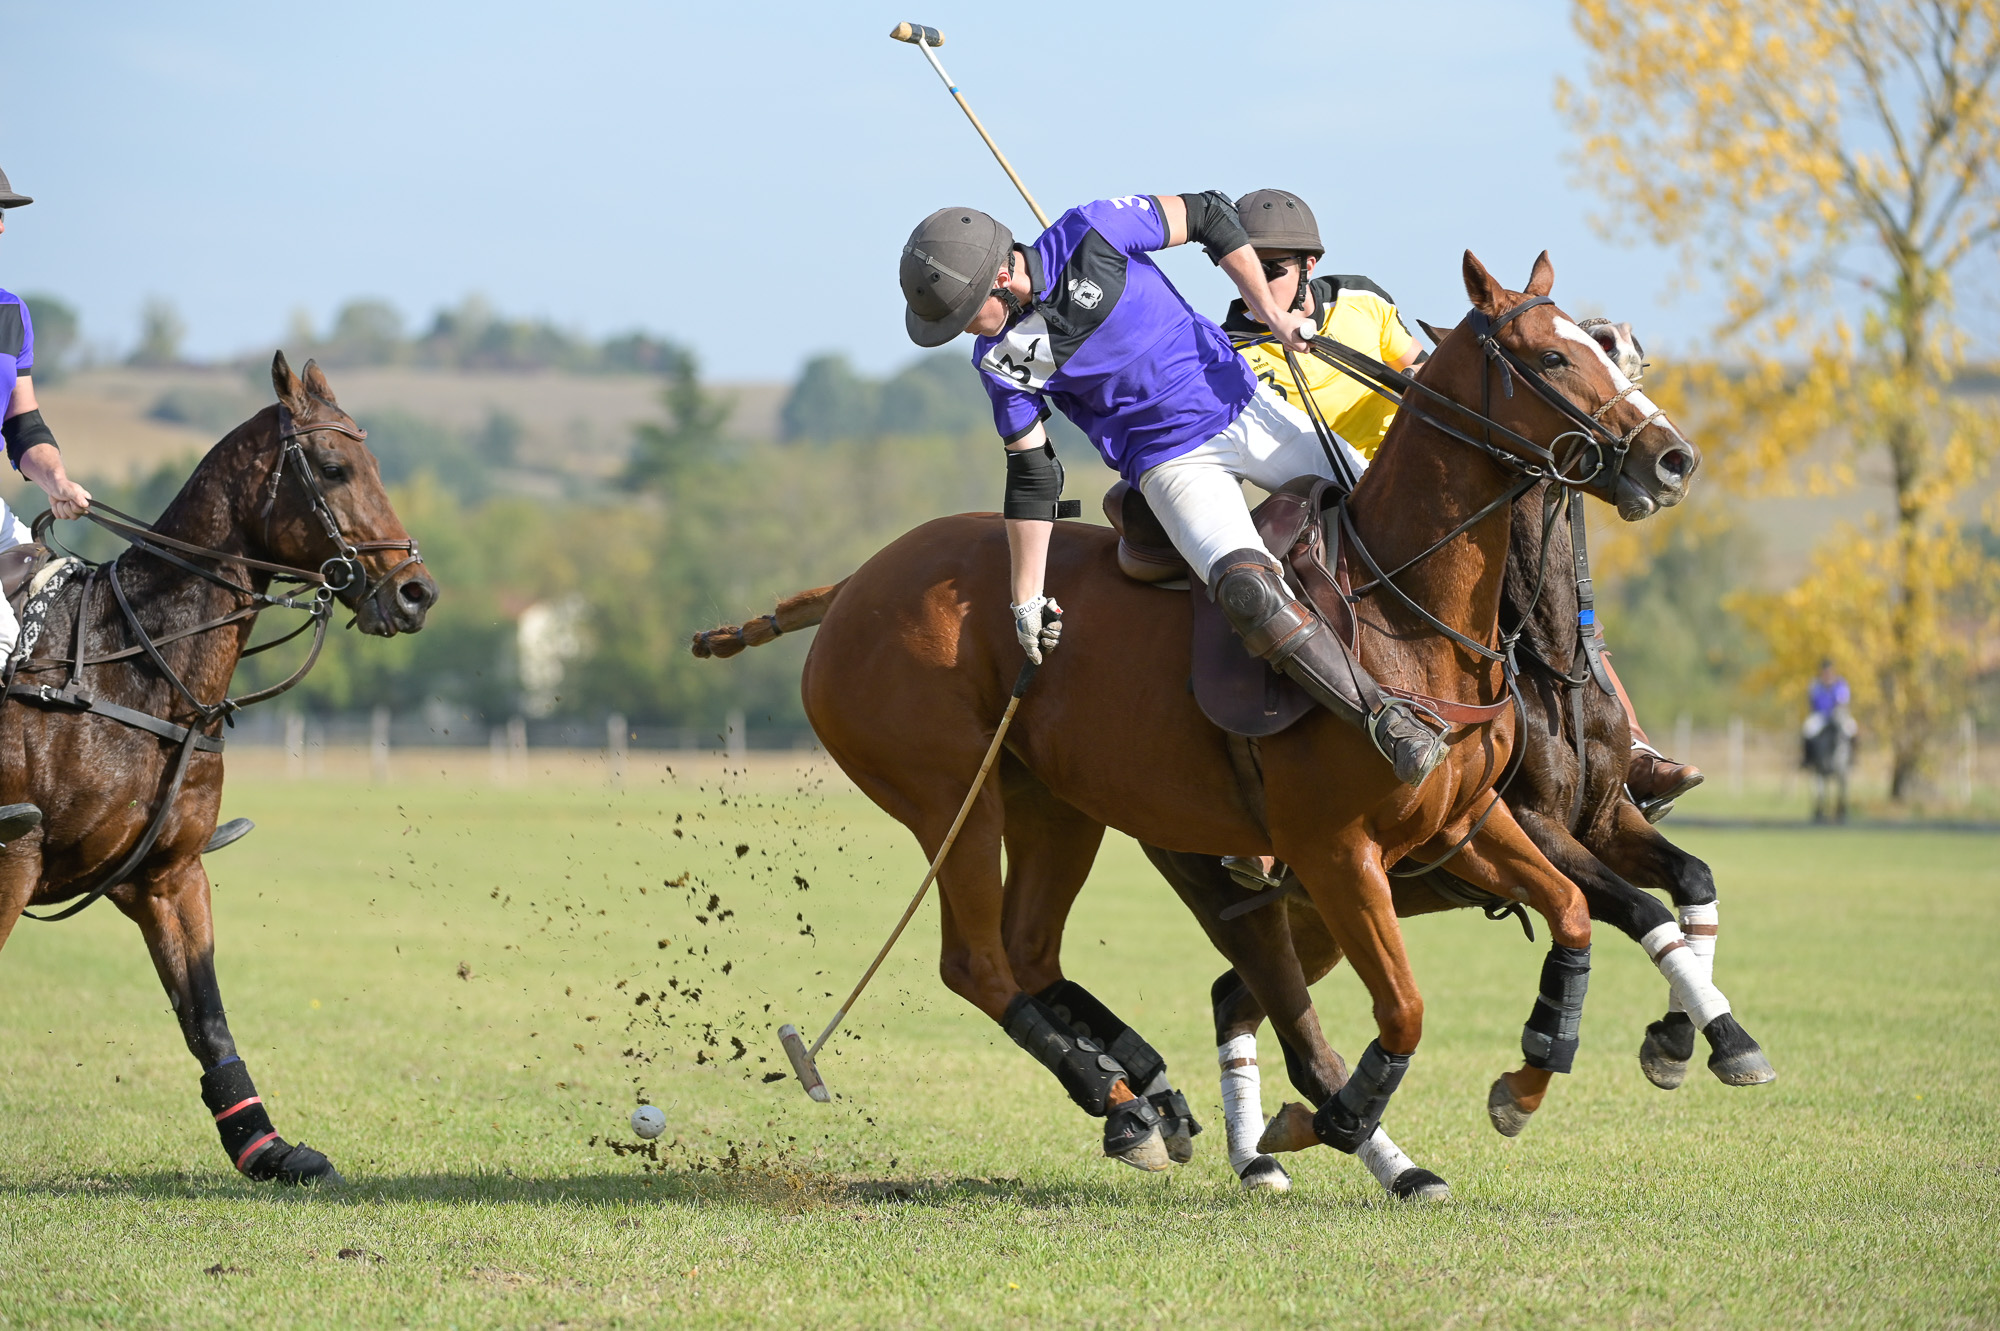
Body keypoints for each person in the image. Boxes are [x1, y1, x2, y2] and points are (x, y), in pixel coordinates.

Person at [897, 193, 1447, 787]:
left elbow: (1209, 213)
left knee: (1392, 511)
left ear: (1003, 275)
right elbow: (1033, 475)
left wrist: (1271, 312)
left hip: (1241, 403)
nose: (964, 332)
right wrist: (1025, 599)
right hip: (1172, 465)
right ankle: (1386, 725)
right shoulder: (1000, 360)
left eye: (965, 314)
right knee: (1248, 590)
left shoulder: (1094, 230)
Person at [1218, 187, 1703, 817]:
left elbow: (1424, 373)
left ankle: (1628, 748)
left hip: (1425, 496)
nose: (1257, 283)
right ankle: (1266, 777)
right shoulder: (1229, 351)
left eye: (1273, 270)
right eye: (1245, 268)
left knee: (1548, 568)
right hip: (1334, 514)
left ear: (1310, 266)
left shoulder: (1362, 306)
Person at [0, 164, 88, 844]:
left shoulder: (10, 313)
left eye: (3, 213)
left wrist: (54, 477)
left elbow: (23, 427)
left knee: (58, 605)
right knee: (2, 637)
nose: (1, 224)